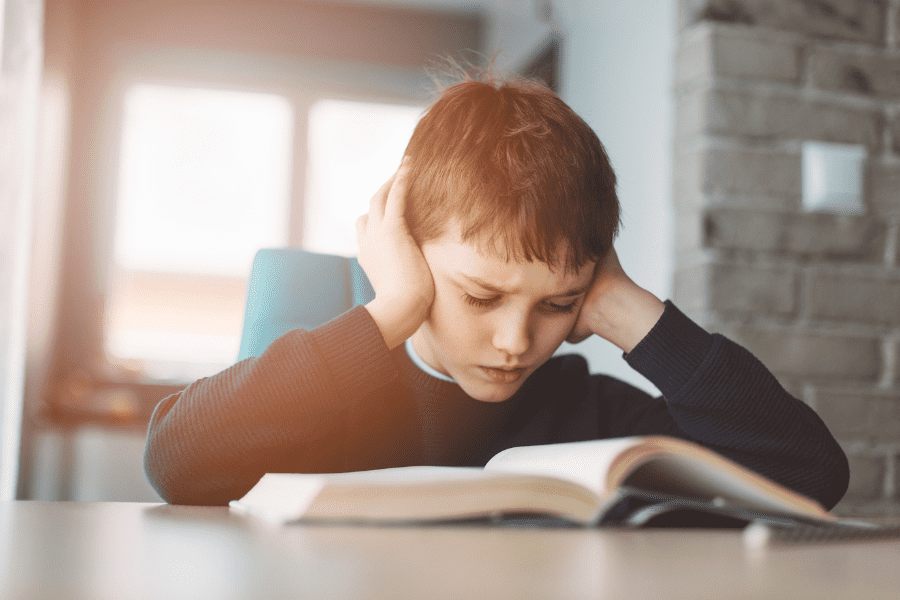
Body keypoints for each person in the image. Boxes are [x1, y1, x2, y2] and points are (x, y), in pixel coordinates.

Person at [144, 72, 849, 509]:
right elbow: (177, 461)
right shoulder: (323, 403)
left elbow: (809, 474)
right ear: (407, 254)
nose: (516, 343)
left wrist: (624, 309)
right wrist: (389, 311)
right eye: (480, 296)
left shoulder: (587, 414)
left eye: (557, 303)